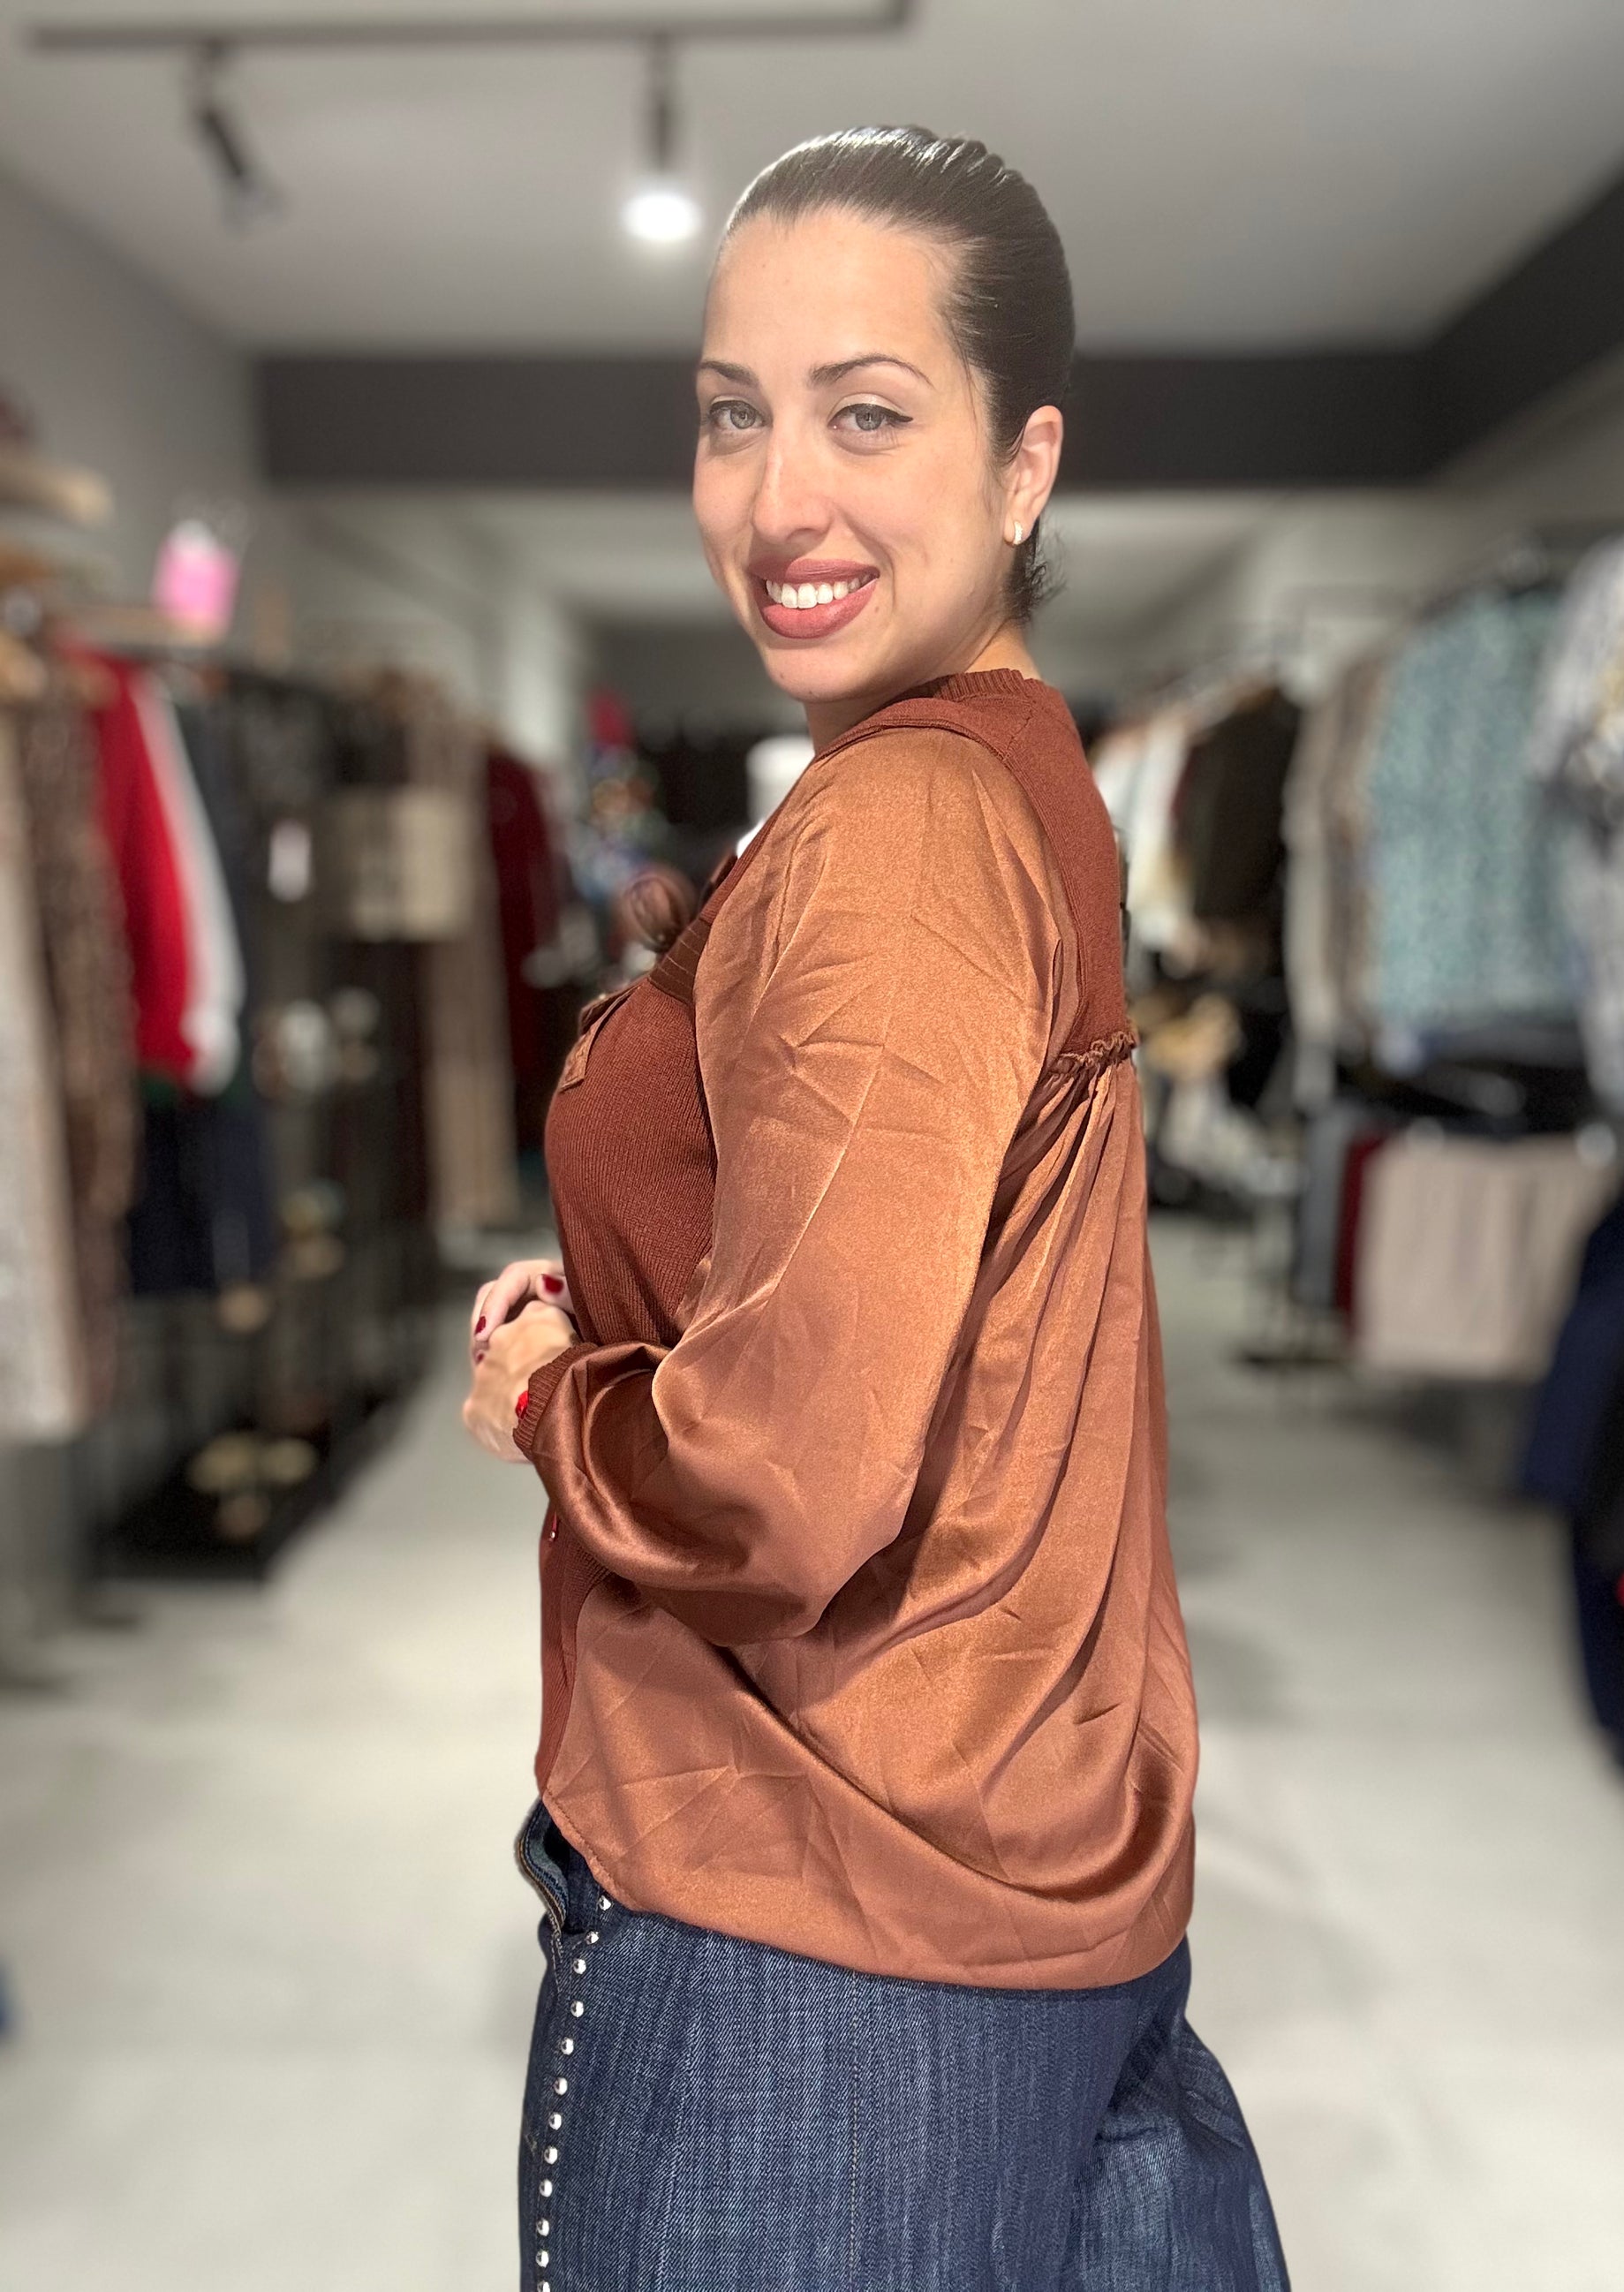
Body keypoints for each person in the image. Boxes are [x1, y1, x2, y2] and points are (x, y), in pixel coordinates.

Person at [463, 125, 1288, 2292]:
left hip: (818, 1931)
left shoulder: (898, 821)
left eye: (865, 413)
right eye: (731, 414)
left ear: (1024, 463)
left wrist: (554, 1396)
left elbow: (782, 1474)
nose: (775, 497)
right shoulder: (1012, 772)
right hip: (1029, 1873)